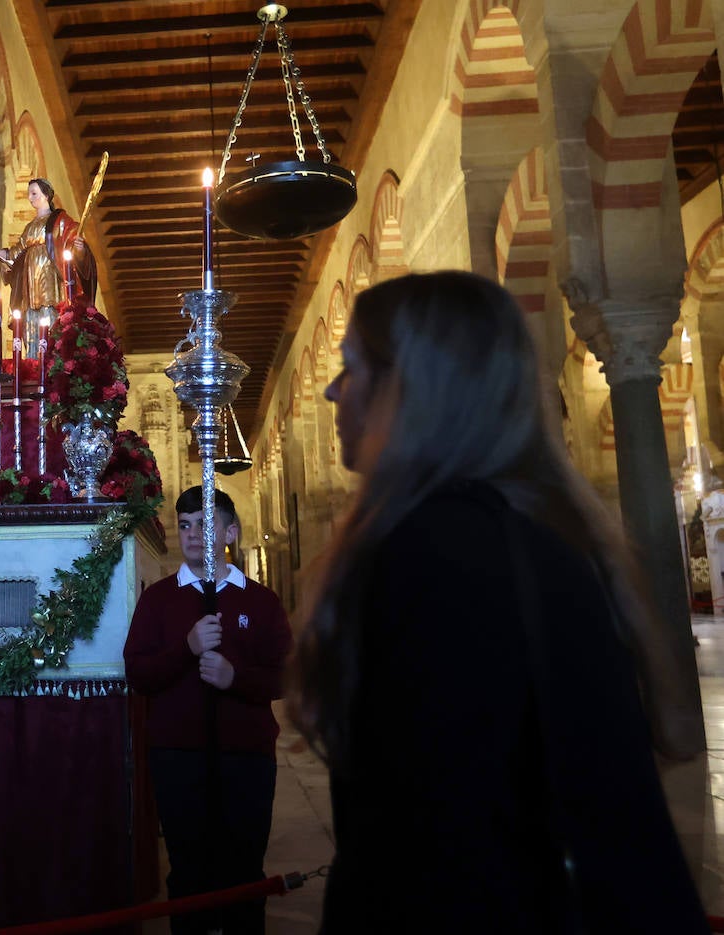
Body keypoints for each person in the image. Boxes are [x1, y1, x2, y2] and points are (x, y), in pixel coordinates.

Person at [294, 270, 709, 932]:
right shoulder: (538, 539)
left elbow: (426, 849)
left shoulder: (427, 554)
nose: (333, 390)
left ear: (409, 388)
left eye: (350, 369)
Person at [123, 486, 293, 934]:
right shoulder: (159, 599)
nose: (194, 534)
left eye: (205, 523)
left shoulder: (261, 601)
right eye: (184, 525)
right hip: (179, 756)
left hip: (246, 756)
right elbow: (138, 673)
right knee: (188, 871)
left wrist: (235, 678)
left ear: (231, 531)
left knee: (244, 870)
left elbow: (285, 677)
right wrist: (187, 649)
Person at [0, 179, 97, 344]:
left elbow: (72, 241)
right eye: (29, 194)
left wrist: (79, 248)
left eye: (34, 193)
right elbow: (17, 252)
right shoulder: (30, 227)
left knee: (52, 327)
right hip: (30, 288)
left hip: (51, 285)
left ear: (46, 195)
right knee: (31, 329)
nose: (30, 198)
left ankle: (53, 361)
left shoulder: (60, 220)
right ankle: (33, 365)